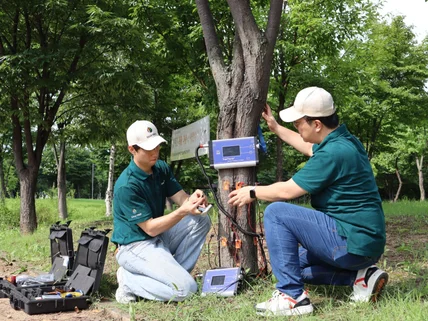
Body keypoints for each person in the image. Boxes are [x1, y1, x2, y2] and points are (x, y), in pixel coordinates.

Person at [228, 87, 388, 316]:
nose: (296, 127)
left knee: (276, 213)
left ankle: (293, 298)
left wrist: (252, 192)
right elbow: (307, 146)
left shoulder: (333, 153)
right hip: (362, 243)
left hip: (351, 241)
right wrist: (275, 127)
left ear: (316, 124)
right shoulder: (344, 141)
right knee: (292, 265)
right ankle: (361, 278)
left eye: (298, 123)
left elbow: (287, 191)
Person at [111, 120, 211, 303]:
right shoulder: (127, 185)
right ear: (132, 149)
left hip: (158, 238)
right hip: (135, 245)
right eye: (148, 148)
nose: (155, 152)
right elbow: (149, 228)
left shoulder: (161, 168)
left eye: (156, 146)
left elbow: (181, 197)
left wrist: (193, 200)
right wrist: (183, 211)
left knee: (202, 220)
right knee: (187, 291)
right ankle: (128, 281)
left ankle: (174, 278)